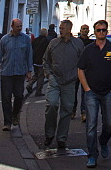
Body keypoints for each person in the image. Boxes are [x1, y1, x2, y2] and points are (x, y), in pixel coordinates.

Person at [77, 20, 111, 168]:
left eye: (104, 30)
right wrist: (86, 88)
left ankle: (103, 141)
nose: (101, 33)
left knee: (109, 123)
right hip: (91, 92)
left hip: (108, 92)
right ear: (95, 32)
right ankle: (92, 155)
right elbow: (80, 69)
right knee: (91, 125)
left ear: (107, 31)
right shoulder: (88, 49)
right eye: (99, 30)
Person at [42, 19, 85, 151]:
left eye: (62, 28)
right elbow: (46, 59)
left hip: (70, 81)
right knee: (52, 104)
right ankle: (49, 134)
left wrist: (77, 76)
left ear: (69, 29)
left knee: (66, 110)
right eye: (59, 28)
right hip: (55, 79)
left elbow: (82, 62)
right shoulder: (54, 43)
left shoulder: (78, 44)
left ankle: (61, 138)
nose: (60, 30)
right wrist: (48, 74)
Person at [0, 19, 33, 130]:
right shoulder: (4, 39)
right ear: (12, 26)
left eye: (20, 26)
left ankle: (15, 114)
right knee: (6, 97)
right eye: (17, 26)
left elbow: (29, 55)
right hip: (7, 72)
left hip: (20, 72)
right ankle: (7, 122)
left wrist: (29, 70)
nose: (19, 28)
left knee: (19, 96)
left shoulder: (25, 39)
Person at [72, 24, 93, 120]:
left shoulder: (91, 43)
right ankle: (73, 110)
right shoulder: (75, 42)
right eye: (83, 29)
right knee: (73, 91)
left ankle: (83, 111)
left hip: (87, 70)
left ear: (88, 31)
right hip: (76, 69)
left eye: (86, 29)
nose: (85, 31)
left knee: (85, 91)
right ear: (80, 30)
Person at [26, 28, 49, 96]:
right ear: (45, 33)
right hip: (42, 61)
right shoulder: (46, 41)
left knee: (36, 74)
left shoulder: (35, 40)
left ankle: (30, 84)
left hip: (35, 60)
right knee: (41, 76)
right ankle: (38, 91)